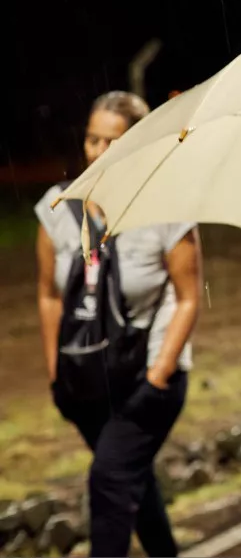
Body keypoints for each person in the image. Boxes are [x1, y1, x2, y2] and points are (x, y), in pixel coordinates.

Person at [35, 91, 202, 558]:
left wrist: (158, 376)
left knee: (110, 478)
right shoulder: (57, 209)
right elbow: (49, 295)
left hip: (148, 377)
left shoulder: (167, 212)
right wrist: (56, 374)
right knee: (131, 481)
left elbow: (189, 298)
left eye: (115, 141)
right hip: (86, 381)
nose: (100, 152)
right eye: (93, 140)